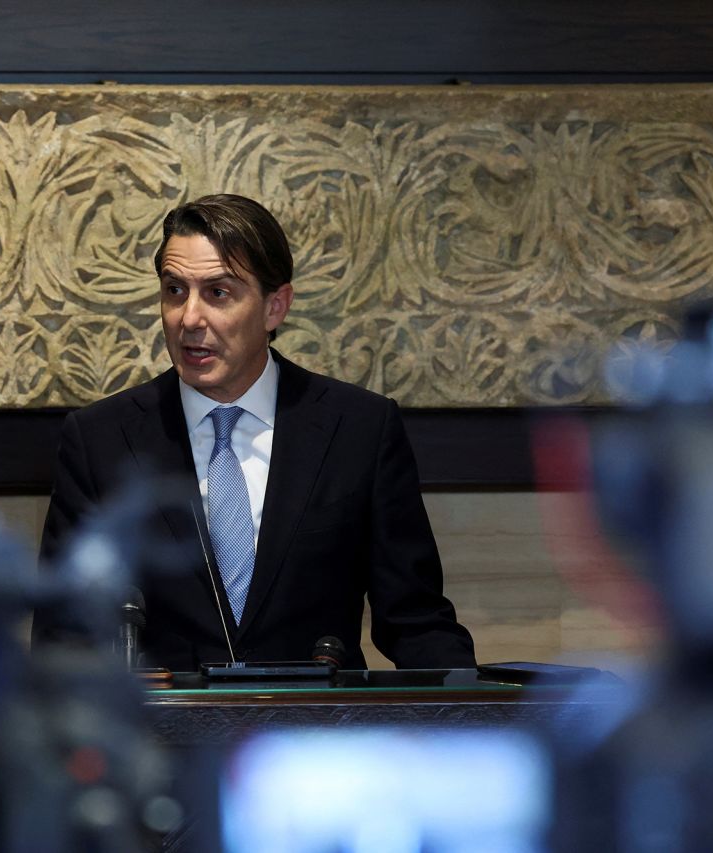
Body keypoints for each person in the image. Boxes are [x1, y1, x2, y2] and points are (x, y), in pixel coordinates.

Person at [39, 194, 475, 670]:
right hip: (161, 738)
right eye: (174, 291)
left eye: (218, 293)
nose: (189, 319)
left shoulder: (359, 429)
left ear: (274, 307)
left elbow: (415, 620)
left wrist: (473, 718)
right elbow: (64, 636)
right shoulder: (101, 438)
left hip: (314, 735)